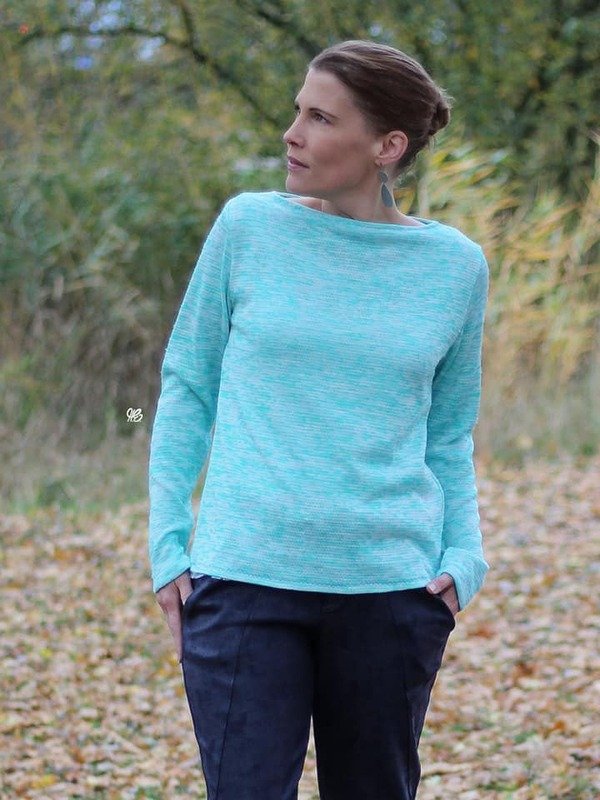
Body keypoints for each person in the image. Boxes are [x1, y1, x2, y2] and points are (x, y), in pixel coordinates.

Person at [148, 39, 490, 800]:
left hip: (391, 592)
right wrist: (168, 547)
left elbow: (448, 432)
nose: (291, 133)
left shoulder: (455, 267)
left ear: (386, 146)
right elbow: (188, 386)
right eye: (297, 111)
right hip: (244, 581)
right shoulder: (247, 229)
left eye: (320, 118)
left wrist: (465, 556)